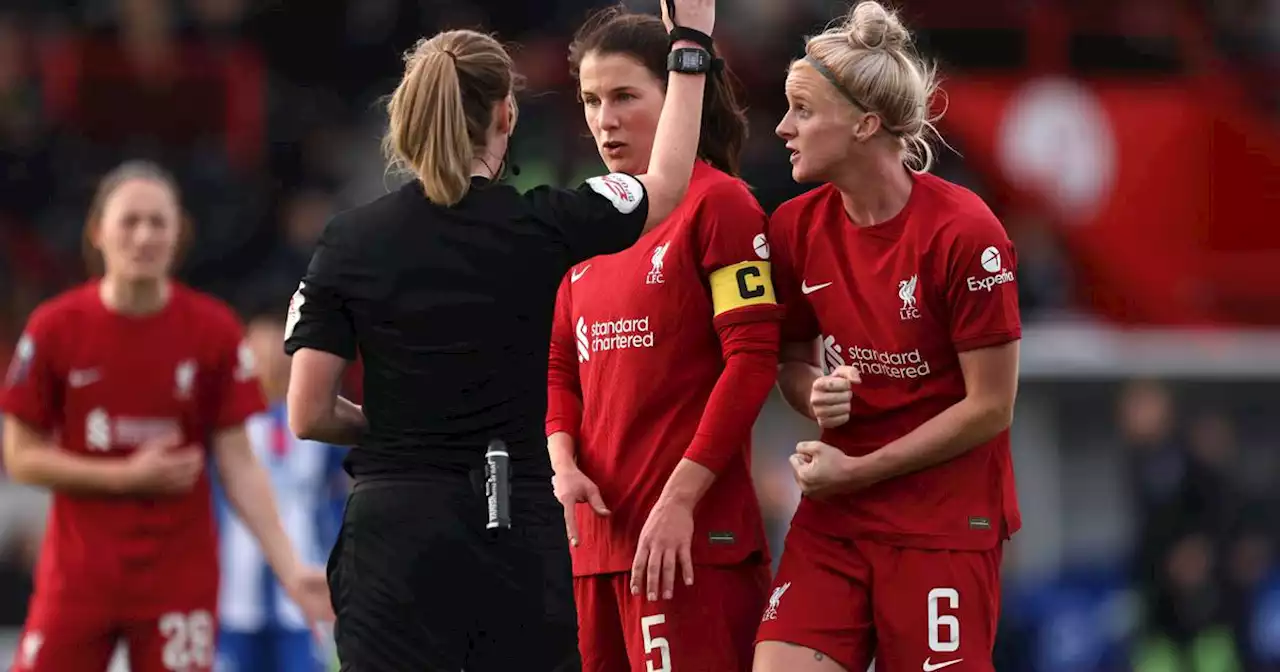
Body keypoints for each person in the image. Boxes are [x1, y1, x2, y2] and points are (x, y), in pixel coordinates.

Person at [282, 0, 718, 669]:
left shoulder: (347, 240)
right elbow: (661, 188)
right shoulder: (541, 224)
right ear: (505, 116)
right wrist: (689, 48)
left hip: (390, 528)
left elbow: (308, 412)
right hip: (508, 516)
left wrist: (400, 431)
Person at [752, 3, 1022, 672]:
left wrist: (858, 469)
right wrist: (815, 393)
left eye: (803, 111)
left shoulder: (966, 232)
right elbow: (790, 361)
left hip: (943, 525)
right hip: (837, 519)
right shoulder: (793, 228)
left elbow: (992, 406)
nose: (784, 127)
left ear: (865, 124)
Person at [0, 160, 331, 672]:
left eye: (158, 222)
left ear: (180, 234)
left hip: (178, 577)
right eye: (129, 221)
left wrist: (290, 568)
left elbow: (239, 463)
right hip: (79, 574)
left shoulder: (212, 331)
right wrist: (122, 476)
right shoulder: (54, 328)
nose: (144, 235)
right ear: (98, 232)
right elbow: (19, 455)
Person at [546, 7, 780, 672]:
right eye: (591, 100)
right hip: (596, 553)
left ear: (678, 93)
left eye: (624, 97)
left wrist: (680, 498)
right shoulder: (587, 221)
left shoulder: (722, 206)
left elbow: (753, 361)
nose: (604, 119)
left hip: (689, 549)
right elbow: (562, 366)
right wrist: (562, 464)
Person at [216, 298, 348, 672]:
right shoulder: (224, 427)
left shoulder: (320, 425)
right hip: (230, 601)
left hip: (301, 604)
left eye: (282, 350)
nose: (272, 361)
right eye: (261, 349)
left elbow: (340, 499)